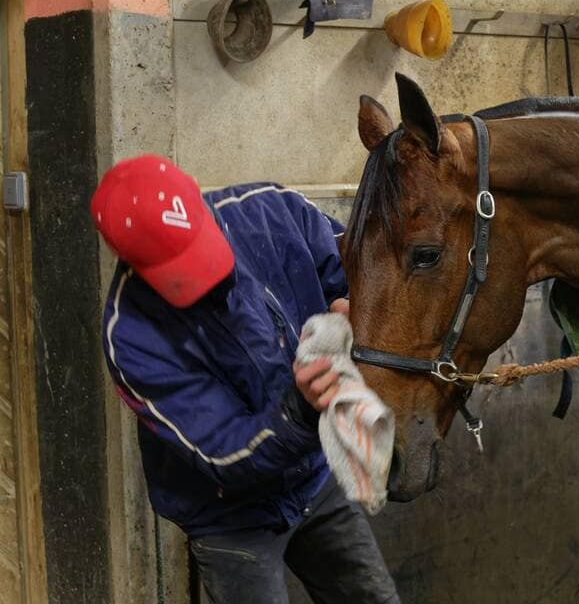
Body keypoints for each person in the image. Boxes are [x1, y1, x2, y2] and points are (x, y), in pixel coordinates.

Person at [92, 155, 400, 604]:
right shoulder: (131, 337)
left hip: (316, 480)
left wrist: (357, 304)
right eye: (179, 269)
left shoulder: (270, 209)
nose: (203, 275)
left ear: (197, 197)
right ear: (130, 262)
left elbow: (359, 265)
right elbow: (224, 452)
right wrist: (298, 407)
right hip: (229, 518)